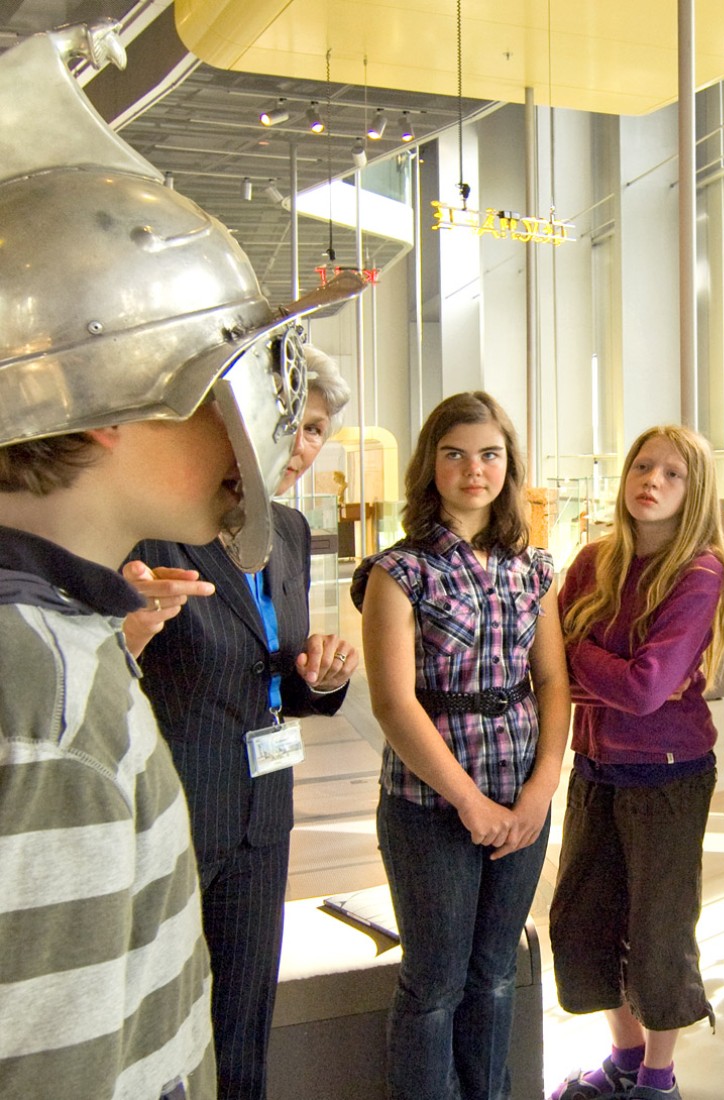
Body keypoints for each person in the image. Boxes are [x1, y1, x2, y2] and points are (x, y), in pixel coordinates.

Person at [0, 22, 363, 1100]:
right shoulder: (36, 689)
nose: (255, 436)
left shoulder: (56, 638)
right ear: (110, 400)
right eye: (227, 385)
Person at [122, 346, 360, 1100]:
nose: (300, 446)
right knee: (154, 1020)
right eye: (288, 423)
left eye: (317, 429)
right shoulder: (162, 523)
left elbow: (275, 667)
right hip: (176, 809)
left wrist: (318, 675)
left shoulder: (286, 531)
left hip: (263, 815)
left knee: (244, 1027)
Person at [355, 391, 570, 1100]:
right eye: (455, 454)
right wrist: (469, 802)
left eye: (489, 454)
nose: (473, 469)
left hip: (520, 800)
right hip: (431, 806)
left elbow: (552, 684)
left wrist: (539, 792)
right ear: (431, 465)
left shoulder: (531, 569)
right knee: (436, 984)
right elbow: (392, 702)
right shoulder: (399, 572)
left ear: (509, 467)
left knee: (496, 974)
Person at [548, 425, 724, 1100]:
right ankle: (624, 1060)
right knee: (583, 924)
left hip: (668, 773)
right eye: (643, 467)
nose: (651, 481)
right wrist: (599, 670)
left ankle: (658, 1079)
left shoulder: (700, 570)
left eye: (672, 474)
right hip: (595, 764)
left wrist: (579, 654)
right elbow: (553, 669)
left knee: (657, 936)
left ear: (695, 492)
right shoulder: (592, 560)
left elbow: (648, 689)